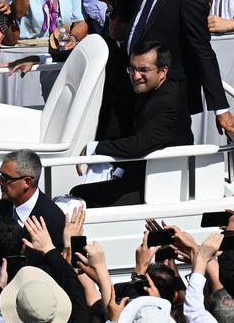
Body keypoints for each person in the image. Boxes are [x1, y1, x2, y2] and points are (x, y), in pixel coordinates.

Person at [97, 0, 234, 137]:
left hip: (165, 95)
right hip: (131, 83)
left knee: (161, 161)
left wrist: (221, 108)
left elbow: (202, 50)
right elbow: (128, 11)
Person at [70, 41, 194, 207]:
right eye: (132, 69)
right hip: (143, 173)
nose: (136, 76)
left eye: (143, 70)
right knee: (79, 193)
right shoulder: (154, 90)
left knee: (81, 195)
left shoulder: (166, 103)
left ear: (162, 71)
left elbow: (139, 144)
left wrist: (94, 148)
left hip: (161, 185)